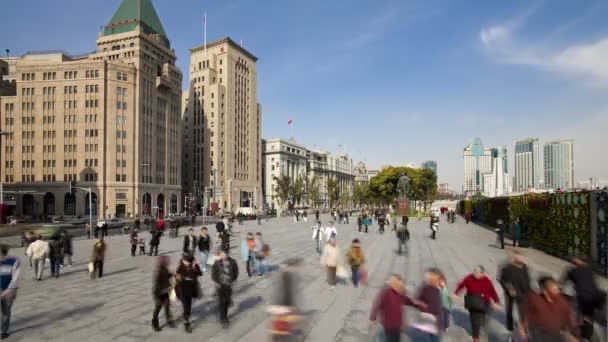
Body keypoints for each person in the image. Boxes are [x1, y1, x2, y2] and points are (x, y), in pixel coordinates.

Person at [370, 274, 426, 342]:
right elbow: (377, 304)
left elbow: (408, 301)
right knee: (389, 338)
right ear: (392, 284)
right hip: (389, 325)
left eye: (401, 286)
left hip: (398, 324)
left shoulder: (400, 294)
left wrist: (419, 306)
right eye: (398, 286)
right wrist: (373, 317)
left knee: (395, 338)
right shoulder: (385, 292)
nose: (401, 288)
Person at [561, 257, 607, 340]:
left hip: (585, 298)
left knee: (585, 319)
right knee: (598, 320)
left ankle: (585, 335)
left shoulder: (572, 271)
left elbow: (563, 282)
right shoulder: (589, 269)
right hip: (596, 296)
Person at [521, 276, 579, 342]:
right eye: (554, 289)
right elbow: (526, 314)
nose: (557, 291)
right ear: (545, 291)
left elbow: (569, 320)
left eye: (557, 288)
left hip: (556, 333)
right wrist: (523, 329)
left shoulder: (562, 302)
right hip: (538, 333)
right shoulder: (534, 299)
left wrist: (575, 336)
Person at [453, 266, 501, 342]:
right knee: (474, 321)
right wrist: (456, 293)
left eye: (477, 273)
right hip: (473, 303)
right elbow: (461, 285)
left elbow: (492, 291)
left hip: (485, 303)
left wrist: (496, 301)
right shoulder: (469, 278)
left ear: (482, 273)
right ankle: (476, 337)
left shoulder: (486, 281)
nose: (475, 274)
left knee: (483, 319)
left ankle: (480, 324)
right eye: (474, 272)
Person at [498, 250, 531, 339]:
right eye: (516, 256)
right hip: (511, 293)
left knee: (523, 310)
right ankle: (509, 325)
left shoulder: (524, 267)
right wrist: (509, 289)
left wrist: (529, 290)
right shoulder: (507, 268)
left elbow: (527, 280)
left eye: (520, 256)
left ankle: (523, 326)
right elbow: (502, 279)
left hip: (523, 293)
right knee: (509, 308)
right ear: (513, 257)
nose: (519, 258)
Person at [211, 249, 239, 327]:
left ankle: (225, 315)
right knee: (221, 302)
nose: (224, 255)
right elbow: (213, 273)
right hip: (220, 285)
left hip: (228, 285)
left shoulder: (233, 261)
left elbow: (236, 271)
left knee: (227, 301)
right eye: (222, 254)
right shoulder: (217, 263)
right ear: (220, 254)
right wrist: (216, 282)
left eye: (225, 253)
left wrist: (233, 280)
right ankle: (223, 318)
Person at [176, 252, 202, 333]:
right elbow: (177, 276)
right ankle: (186, 323)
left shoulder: (194, 265)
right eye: (185, 260)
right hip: (182, 288)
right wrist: (179, 277)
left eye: (187, 261)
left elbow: (200, 273)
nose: (186, 262)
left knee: (188, 306)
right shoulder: (181, 265)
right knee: (186, 305)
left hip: (191, 288)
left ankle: (186, 318)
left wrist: (195, 268)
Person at [415, 269, 443, 342]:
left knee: (434, 335)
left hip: (434, 318)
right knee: (434, 336)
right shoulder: (426, 289)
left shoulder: (435, 288)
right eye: (437, 279)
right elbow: (418, 301)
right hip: (432, 318)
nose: (439, 281)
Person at [0, 244, 20, 339]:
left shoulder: (13, 262)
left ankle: (3, 331)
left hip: (8, 290)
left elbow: (15, 278)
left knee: (6, 311)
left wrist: (9, 290)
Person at [152, 255, 175, 332]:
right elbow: (157, 284)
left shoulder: (165, 269)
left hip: (165, 293)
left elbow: (168, 276)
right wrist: (165, 288)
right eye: (167, 261)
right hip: (159, 293)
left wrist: (173, 274)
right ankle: (155, 323)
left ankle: (169, 321)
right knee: (158, 308)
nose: (168, 263)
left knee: (167, 307)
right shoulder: (158, 272)